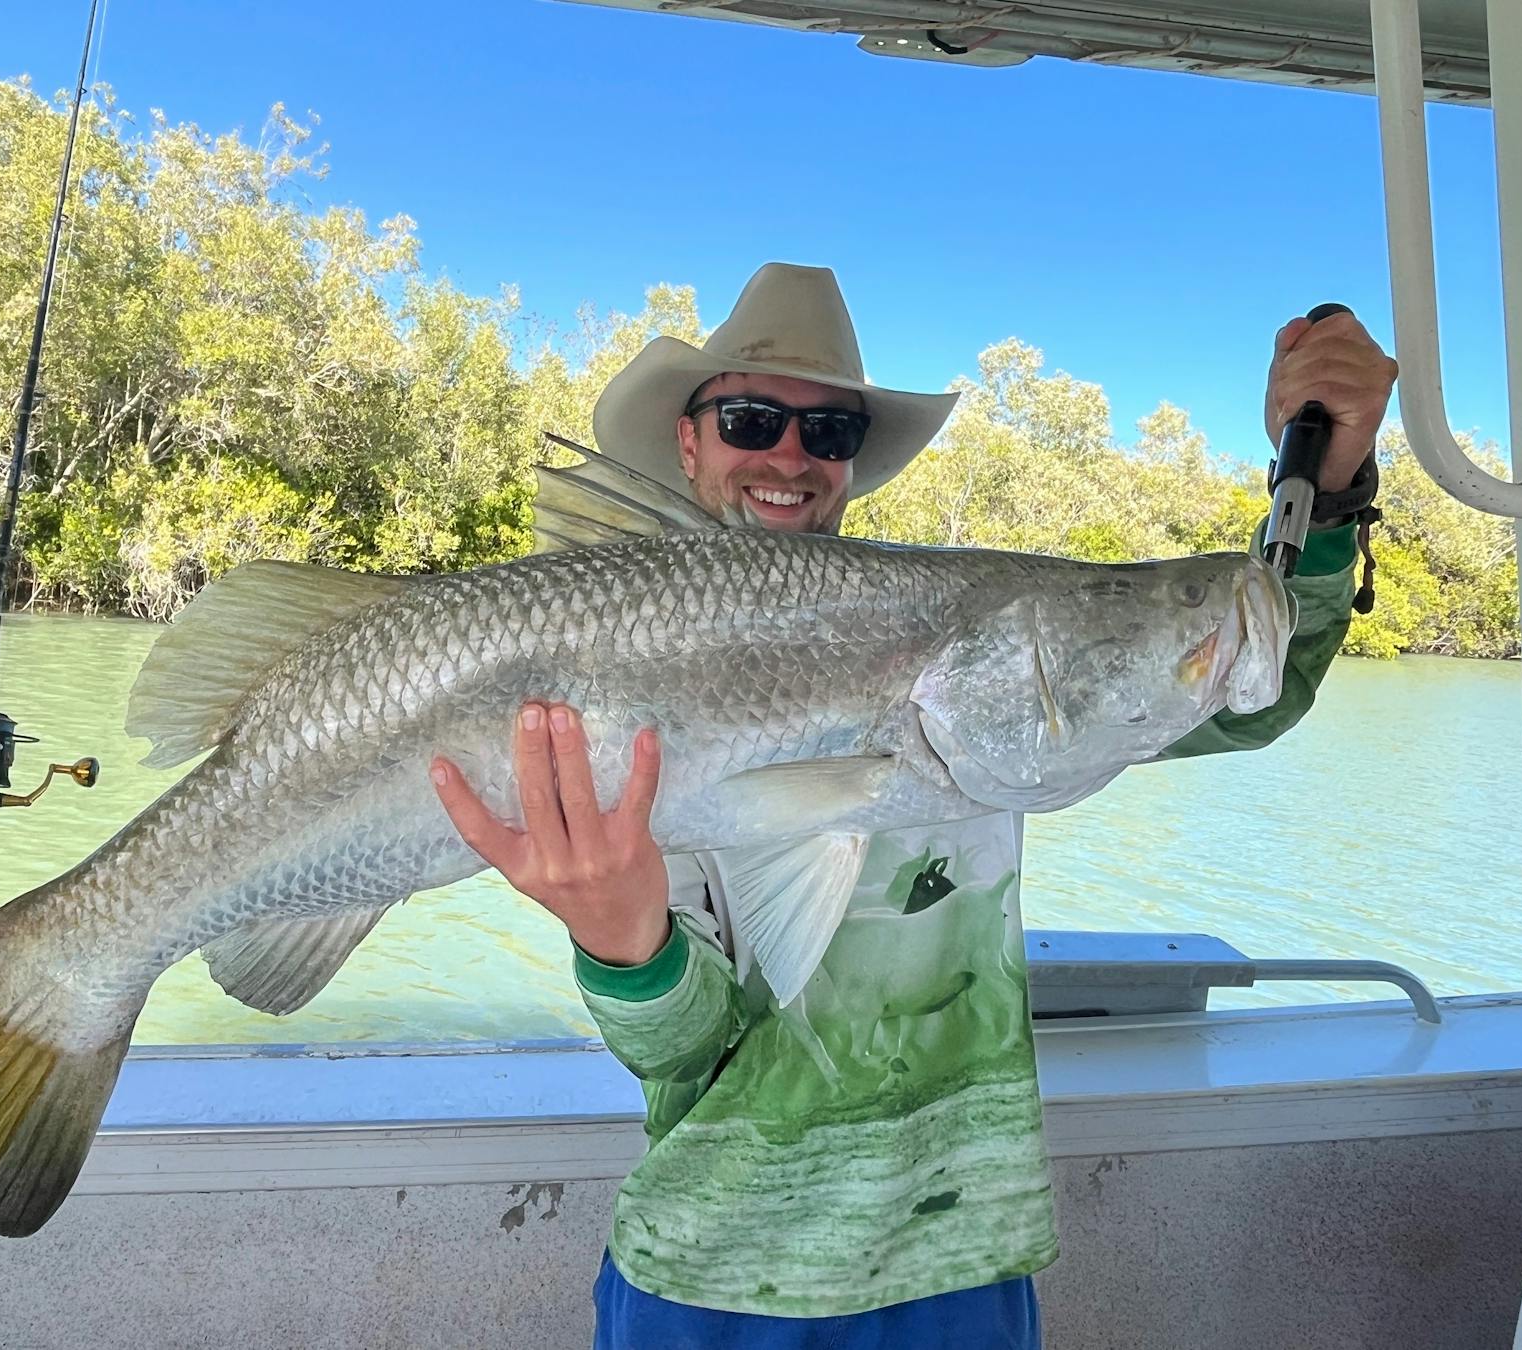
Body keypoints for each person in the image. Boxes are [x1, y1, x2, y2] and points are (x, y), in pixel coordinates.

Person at [429, 263, 1397, 1347]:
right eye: (752, 417)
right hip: (708, 1282)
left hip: (964, 1264)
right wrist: (619, 943)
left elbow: (1251, 694)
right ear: (689, 442)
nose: (791, 454)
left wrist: (1332, 485)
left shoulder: (970, 648)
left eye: (830, 430)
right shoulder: (588, 655)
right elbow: (684, 1051)